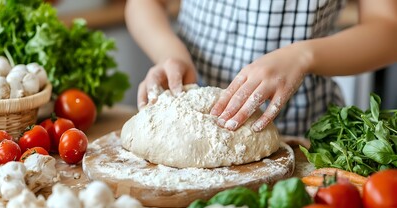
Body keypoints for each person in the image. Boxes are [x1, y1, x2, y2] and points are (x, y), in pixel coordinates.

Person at [125, 0, 397, 136]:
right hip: (188, 126)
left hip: (302, 133)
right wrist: (170, 54)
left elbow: (388, 28)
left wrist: (302, 55)